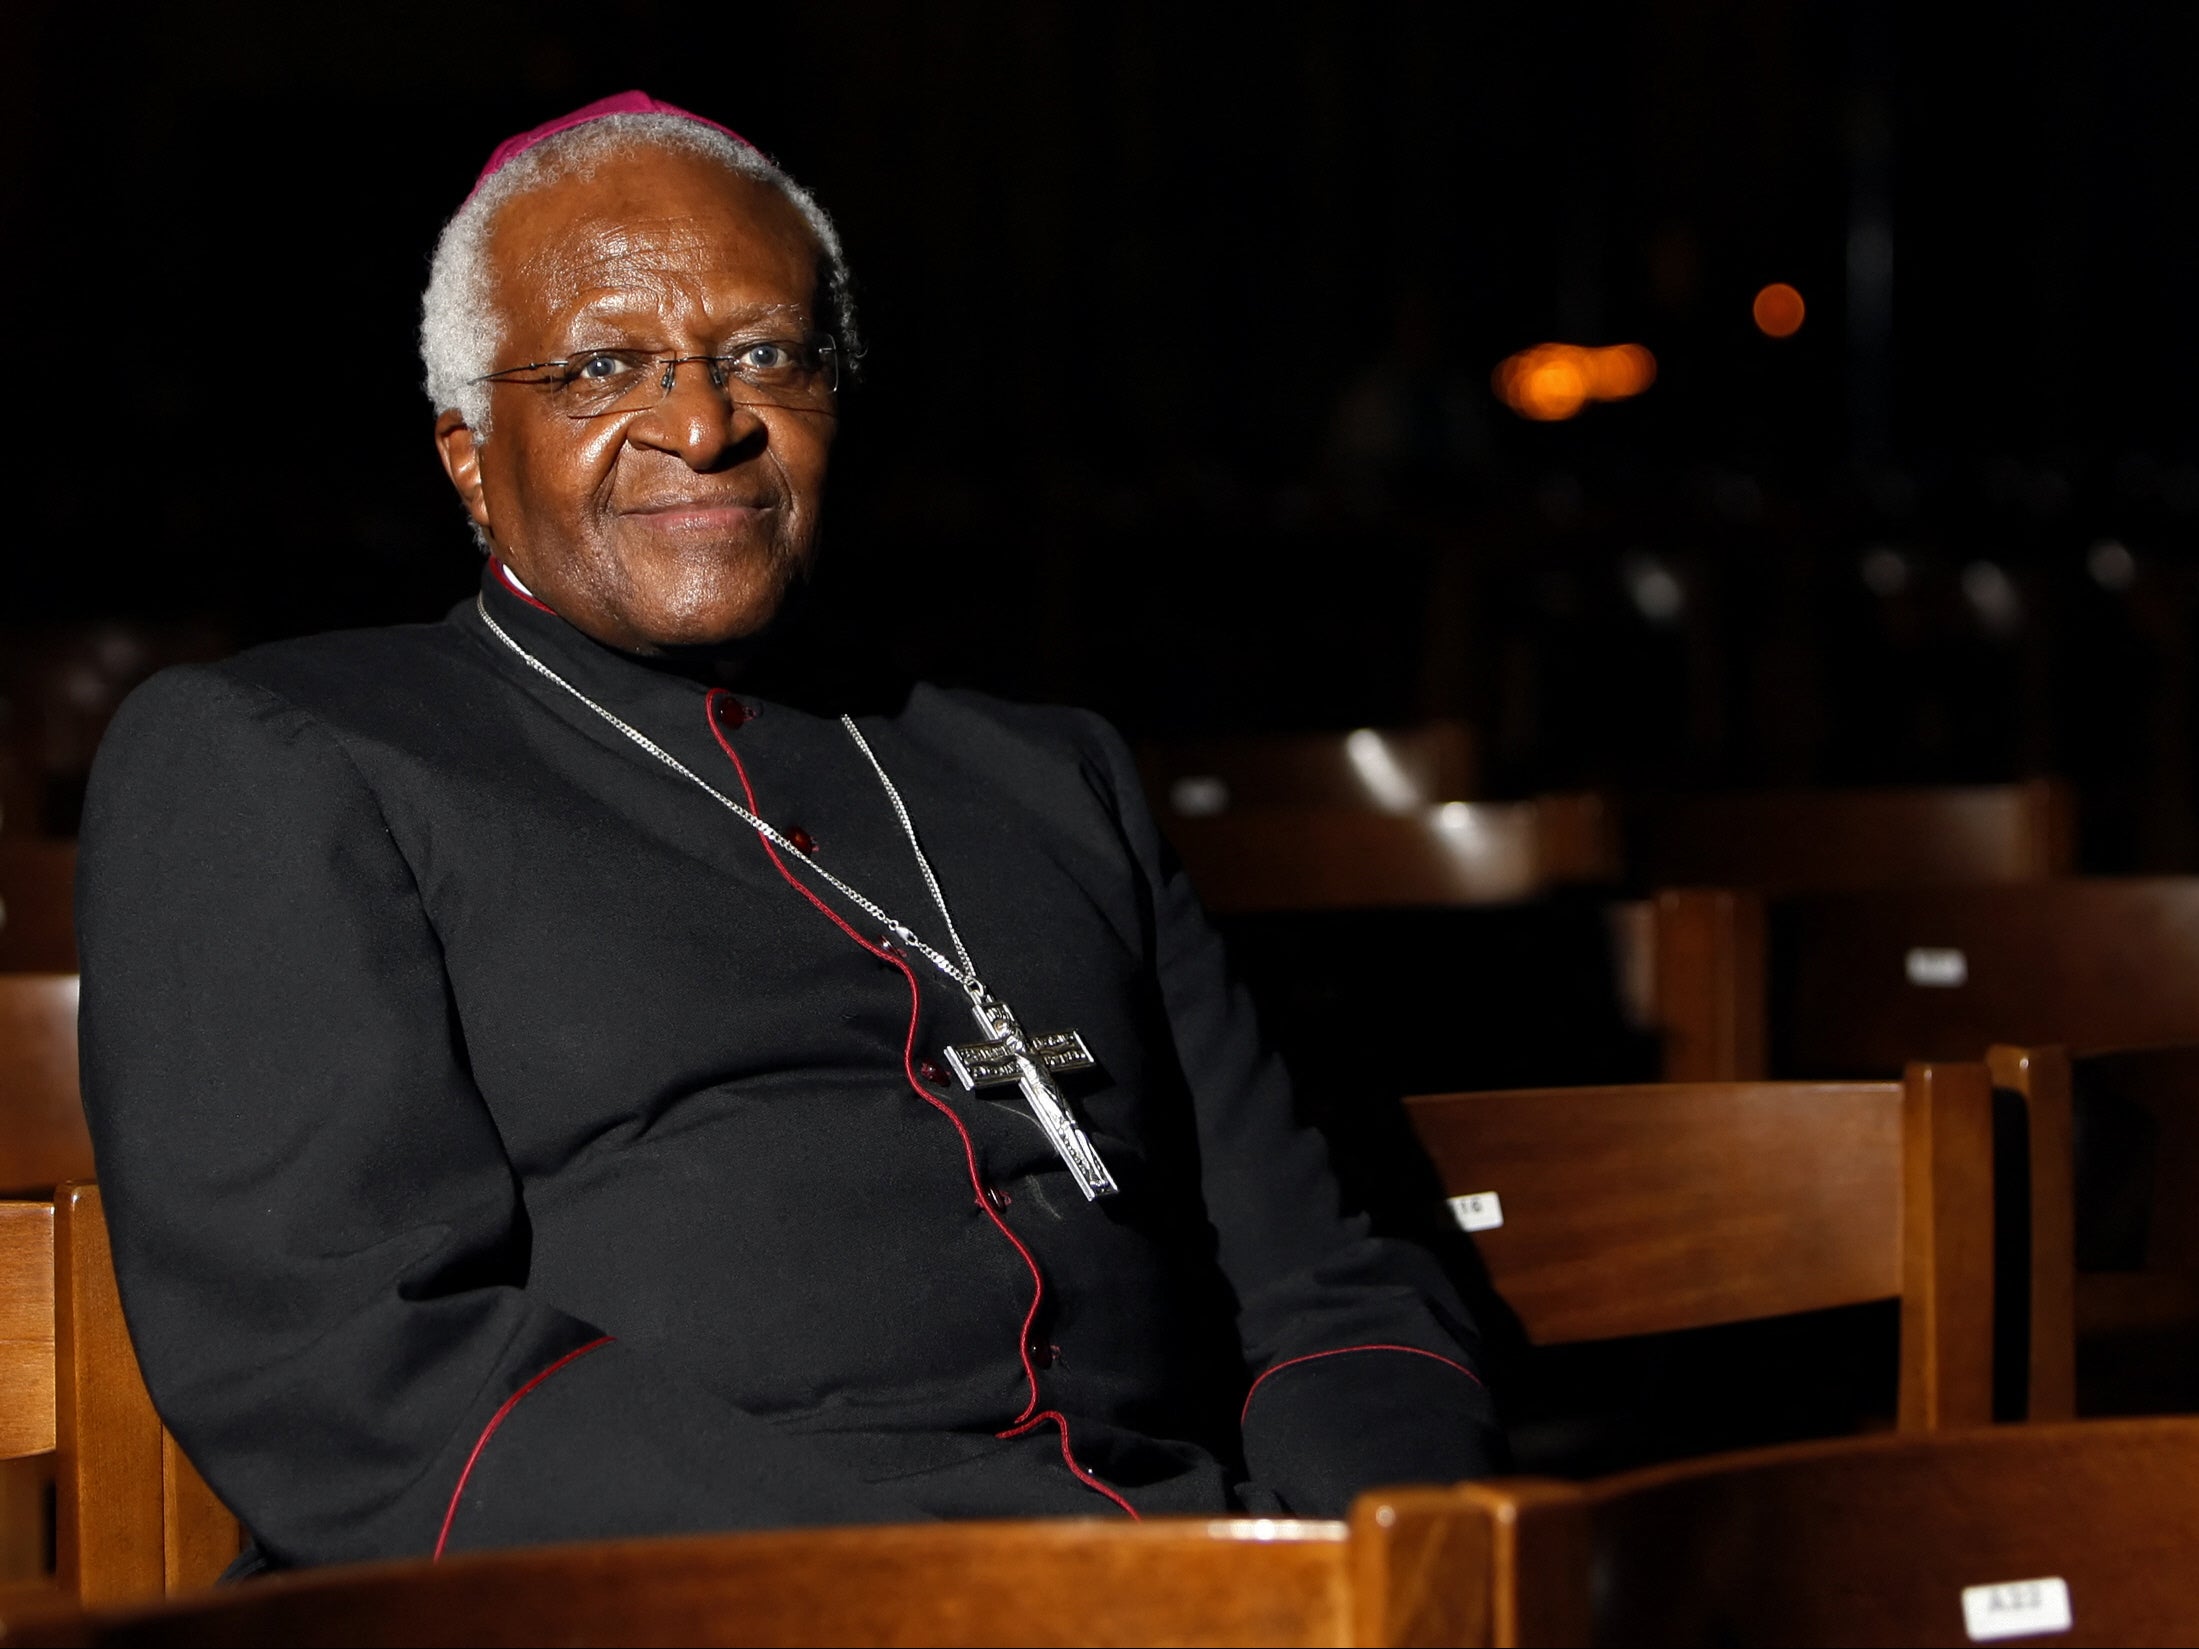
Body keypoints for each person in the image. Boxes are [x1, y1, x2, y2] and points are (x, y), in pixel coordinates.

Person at [76, 92, 1499, 1571]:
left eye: (764, 354)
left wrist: (1383, 1564)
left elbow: (1327, 1279)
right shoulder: (291, 758)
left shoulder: (1044, 770)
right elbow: (358, 1373)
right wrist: (962, 1591)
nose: (703, 426)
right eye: (602, 367)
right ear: (469, 457)